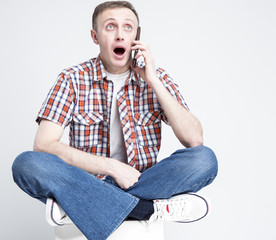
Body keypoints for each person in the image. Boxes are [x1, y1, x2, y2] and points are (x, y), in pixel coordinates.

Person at [12, 1, 218, 239]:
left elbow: (195, 138)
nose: (120, 35)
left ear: (136, 37)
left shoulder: (156, 78)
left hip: (141, 182)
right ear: (95, 36)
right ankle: (146, 210)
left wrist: (153, 81)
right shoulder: (72, 79)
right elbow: (44, 145)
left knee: (205, 159)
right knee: (27, 163)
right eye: (110, 27)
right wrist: (112, 167)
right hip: (86, 181)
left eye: (128, 27)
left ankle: (79, 206)